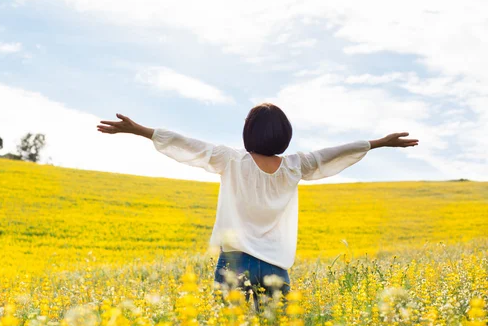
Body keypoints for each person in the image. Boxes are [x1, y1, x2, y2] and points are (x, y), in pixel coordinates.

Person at [96, 103, 419, 311]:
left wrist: (138, 130)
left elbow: (185, 143)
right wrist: (378, 143)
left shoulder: (231, 160)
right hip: (276, 265)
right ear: (285, 135)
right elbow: (334, 152)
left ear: (248, 132)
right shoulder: (295, 165)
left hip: (235, 259)